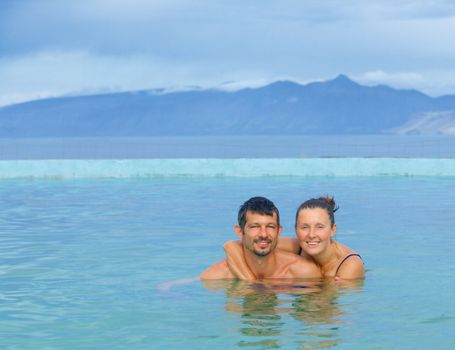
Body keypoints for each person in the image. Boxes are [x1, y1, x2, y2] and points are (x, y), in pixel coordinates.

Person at [225, 196, 364, 280]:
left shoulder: (349, 266)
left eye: (319, 227)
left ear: (333, 230)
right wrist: (250, 281)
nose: (311, 234)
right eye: (304, 227)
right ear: (295, 229)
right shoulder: (296, 245)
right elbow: (233, 246)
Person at [200, 196, 322, 280]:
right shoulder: (214, 276)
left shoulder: (304, 273)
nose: (263, 234)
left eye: (270, 226)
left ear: (279, 231)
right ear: (240, 231)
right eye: (254, 226)